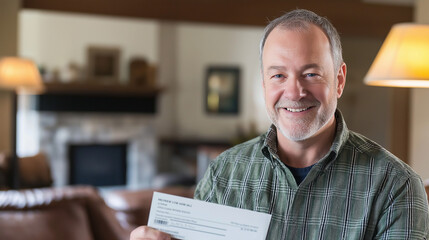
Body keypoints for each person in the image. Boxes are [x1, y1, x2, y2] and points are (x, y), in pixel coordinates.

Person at [131, 9, 429, 239]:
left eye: (311, 74)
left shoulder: (396, 186)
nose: (295, 92)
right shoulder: (224, 173)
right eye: (278, 75)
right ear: (263, 84)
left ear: (339, 80)